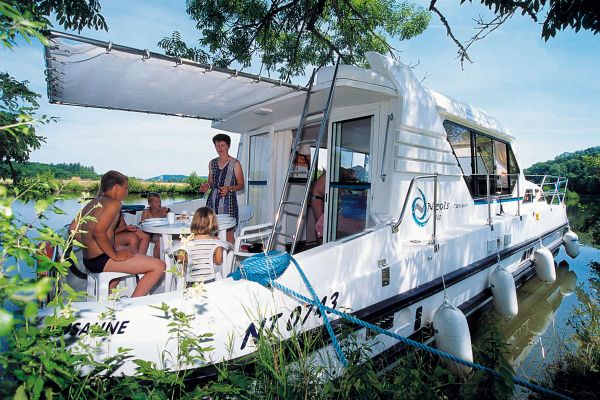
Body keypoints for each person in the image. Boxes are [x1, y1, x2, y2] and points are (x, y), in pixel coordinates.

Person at [69, 170, 165, 297]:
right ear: (116, 188)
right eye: (126, 188)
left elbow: (72, 229)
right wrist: (114, 255)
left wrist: (91, 245)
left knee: (131, 253)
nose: (127, 192)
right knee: (159, 266)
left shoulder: (93, 202)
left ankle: (106, 296)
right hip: (101, 260)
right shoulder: (115, 204)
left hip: (89, 260)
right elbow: (99, 232)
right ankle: (132, 305)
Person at [200, 133, 244, 244]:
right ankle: (216, 259)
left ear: (228, 146)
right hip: (212, 201)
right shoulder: (212, 163)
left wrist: (229, 188)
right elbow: (210, 181)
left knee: (229, 234)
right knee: (211, 233)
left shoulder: (235, 163)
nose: (220, 148)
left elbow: (241, 185)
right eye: (217, 145)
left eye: (222, 145)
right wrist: (207, 186)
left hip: (228, 202)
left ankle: (231, 260)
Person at [140, 192, 170, 258]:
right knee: (160, 240)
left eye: (160, 201)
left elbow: (169, 220)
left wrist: (167, 211)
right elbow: (142, 224)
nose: (159, 203)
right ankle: (156, 260)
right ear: (150, 203)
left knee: (165, 238)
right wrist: (157, 216)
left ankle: (163, 259)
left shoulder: (162, 212)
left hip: (159, 232)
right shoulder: (146, 211)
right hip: (148, 234)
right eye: (156, 202)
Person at [309, 172, 326, 243]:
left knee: (319, 224)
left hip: (316, 196)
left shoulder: (332, 172)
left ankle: (320, 244)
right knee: (319, 224)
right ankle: (320, 244)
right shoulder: (337, 171)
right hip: (316, 197)